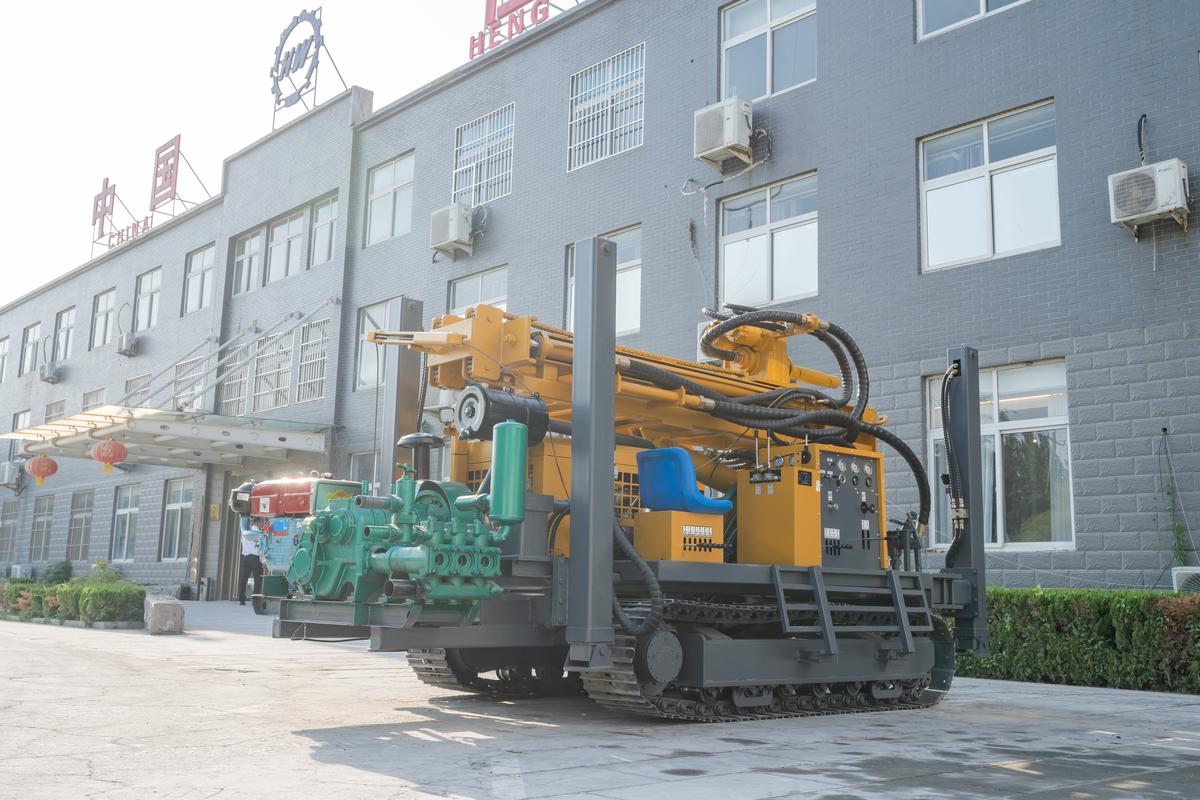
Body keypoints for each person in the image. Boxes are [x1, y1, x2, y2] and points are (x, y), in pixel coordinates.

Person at [238, 517, 264, 606]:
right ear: (258, 522)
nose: (262, 524)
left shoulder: (245, 533)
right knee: (257, 579)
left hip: (245, 557)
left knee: (244, 578)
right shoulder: (259, 533)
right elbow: (261, 546)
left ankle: (241, 599)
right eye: (262, 522)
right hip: (255, 557)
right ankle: (255, 600)